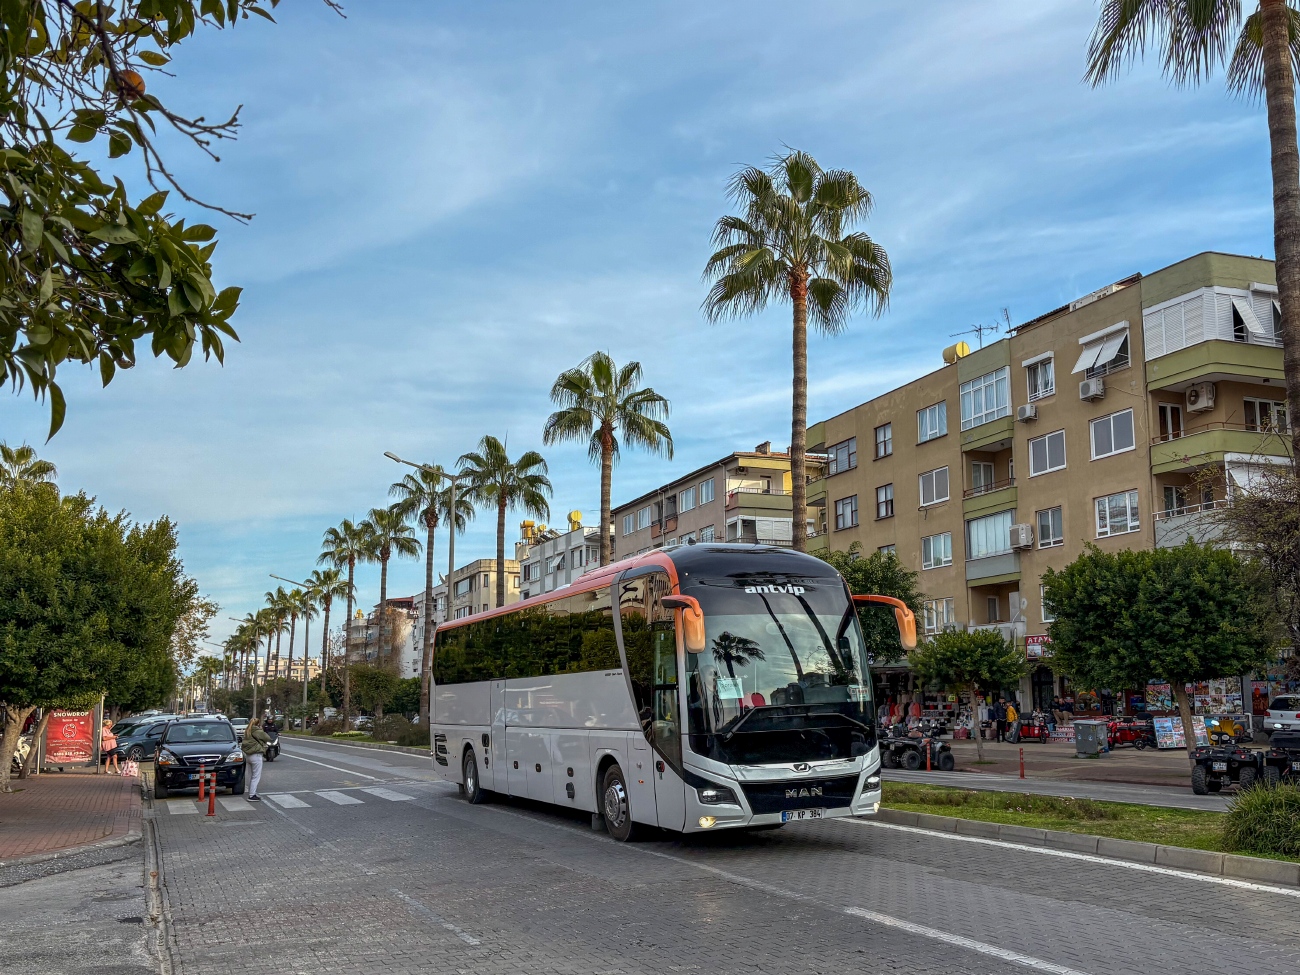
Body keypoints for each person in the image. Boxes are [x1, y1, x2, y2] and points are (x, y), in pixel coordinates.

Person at [241, 714, 272, 801]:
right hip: (256, 755)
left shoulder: (247, 731)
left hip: (248, 756)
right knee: (256, 776)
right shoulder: (258, 731)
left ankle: (251, 791)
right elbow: (268, 738)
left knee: (250, 776)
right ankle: (252, 795)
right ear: (258, 724)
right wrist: (262, 730)